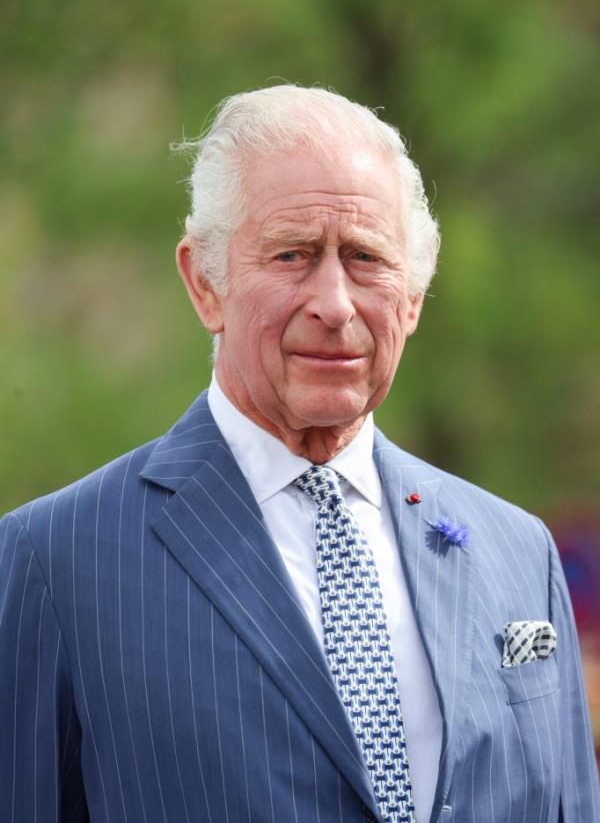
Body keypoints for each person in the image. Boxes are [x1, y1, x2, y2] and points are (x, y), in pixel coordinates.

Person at [0, 85, 597, 823]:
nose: (336, 303)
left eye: (366, 257)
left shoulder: (519, 553)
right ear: (204, 283)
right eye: (293, 254)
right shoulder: (54, 561)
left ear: (411, 298)